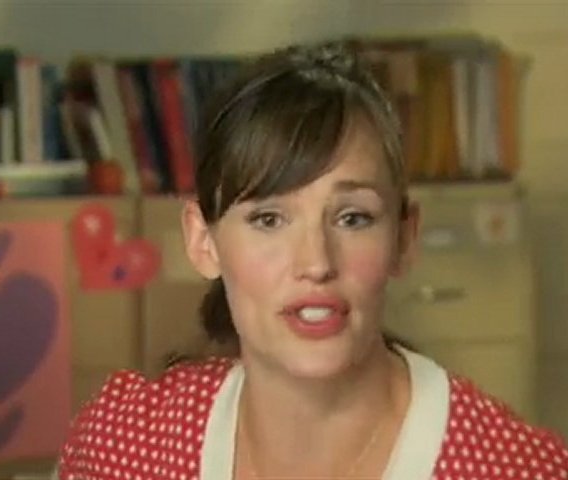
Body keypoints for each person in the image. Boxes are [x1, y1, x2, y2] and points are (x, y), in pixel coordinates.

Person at [54, 41, 568, 480]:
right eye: (269, 219)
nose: (316, 262)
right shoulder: (124, 449)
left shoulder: (513, 468)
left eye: (353, 218)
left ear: (403, 238)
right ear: (203, 241)